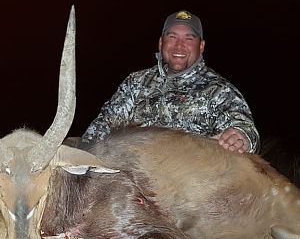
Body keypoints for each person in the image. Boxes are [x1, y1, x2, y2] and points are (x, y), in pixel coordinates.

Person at [82, 10, 260, 153]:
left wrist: (242, 136)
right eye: (172, 37)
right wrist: (84, 155)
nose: (179, 45)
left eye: (189, 38)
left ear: (201, 46)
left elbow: (244, 128)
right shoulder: (136, 82)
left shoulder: (219, 90)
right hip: (131, 176)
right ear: (161, 43)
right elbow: (104, 124)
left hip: (187, 184)